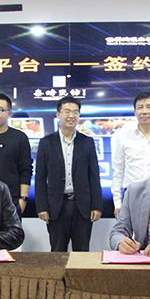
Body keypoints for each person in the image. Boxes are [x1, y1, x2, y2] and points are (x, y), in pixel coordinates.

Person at [35, 96, 103, 251]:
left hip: (82, 207)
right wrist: (42, 207)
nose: (71, 116)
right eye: (67, 111)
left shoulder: (87, 142)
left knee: (82, 252)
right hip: (56, 207)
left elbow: (94, 176)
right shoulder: (46, 142)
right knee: (57, 251)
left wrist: (96, 205)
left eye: (75, 112)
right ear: (58, 114)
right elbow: (40, 178)